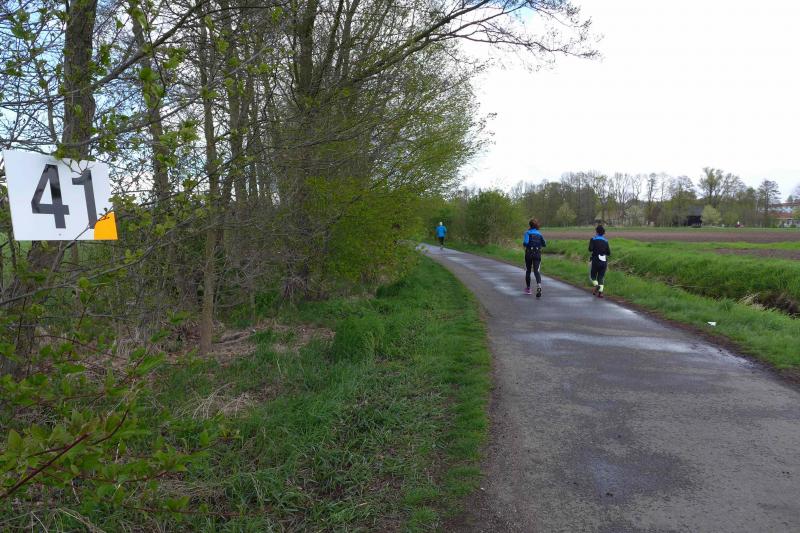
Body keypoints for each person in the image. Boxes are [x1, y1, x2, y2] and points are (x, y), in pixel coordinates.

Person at [522, 218, 546, 297]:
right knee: (536, 271)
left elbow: (525, 242)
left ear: (530, 225)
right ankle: (539, 286)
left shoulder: (527, 233)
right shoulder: (539, 234)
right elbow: (544, 244)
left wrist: (525, 245)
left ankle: (528, 289)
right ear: (536, 225)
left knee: (528, 271)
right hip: (537, 254)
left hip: (529, 253)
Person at [588, 225, 611, 298]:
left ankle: (596, 285)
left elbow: (590, 249)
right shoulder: (606, 241)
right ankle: (600, 293)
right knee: (601, 277)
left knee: (592, 276)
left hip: (595, 260)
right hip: (604, 261)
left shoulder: (593, 239)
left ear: (596, 232)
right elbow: (608, 253)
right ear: (604, 233)